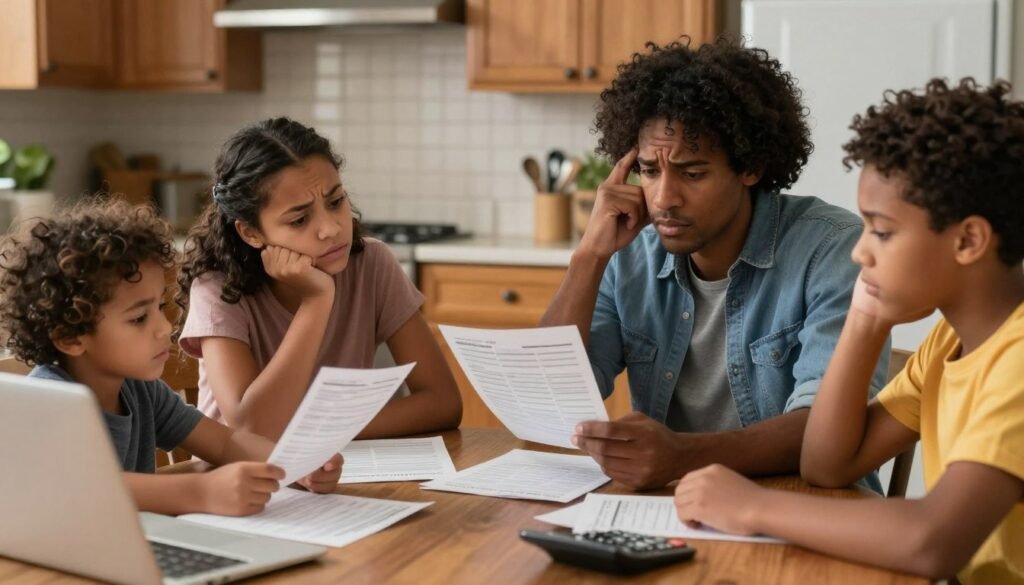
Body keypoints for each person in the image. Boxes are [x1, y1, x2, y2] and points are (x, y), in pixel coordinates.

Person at [674, 78, 1024, 584]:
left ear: (968, 239)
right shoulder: (951, 342)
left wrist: (753, 507)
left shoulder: (1016, 361)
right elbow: (828, 465)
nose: (860, 252)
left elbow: (933, 540)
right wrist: (865, 318)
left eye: (881, 231)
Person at [540, 38, 888, 490]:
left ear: (751, 167)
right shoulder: (626, 257)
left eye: (692, 173)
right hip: (671, 508)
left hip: (806, 509)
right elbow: (550, 400)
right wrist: (588, 257)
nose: (663, 198)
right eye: (648, 170)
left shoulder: (832, 249)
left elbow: (823, 427)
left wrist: (682, 456)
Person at [0, 199, 342, 517]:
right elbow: (84, 491)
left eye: (159, 307)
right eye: (138, 318)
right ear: (71, 337)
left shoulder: (139, 390)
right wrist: (201, 492)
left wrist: (295, 464)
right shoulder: (48, 403)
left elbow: (225, 443)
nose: (165, 327)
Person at [176, 117, 462, 441]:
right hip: (240, 483)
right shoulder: (217, 289)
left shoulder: (371, 264)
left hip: (335, 474)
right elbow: (251, 431)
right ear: (251, 232)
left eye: (336, 202)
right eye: (299, 219)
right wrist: (316, 300)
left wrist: (318, 431)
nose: (332, 229)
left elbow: (443, 403)